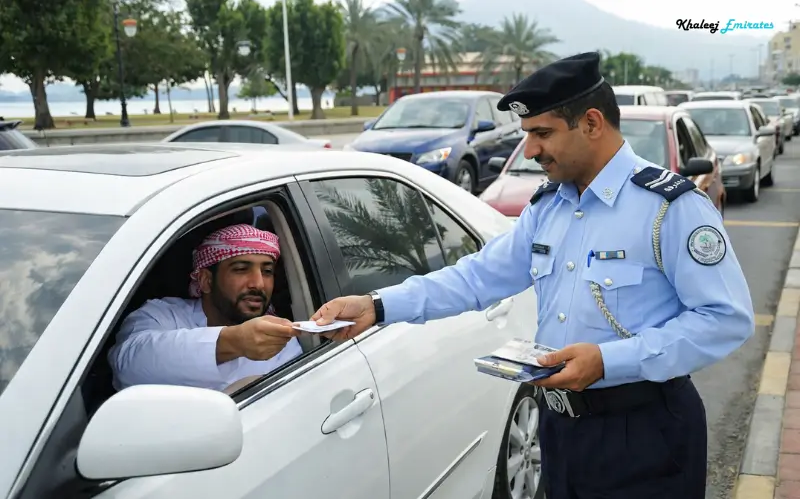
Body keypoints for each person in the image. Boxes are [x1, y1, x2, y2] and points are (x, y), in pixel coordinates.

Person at [309, 52, 754, 498]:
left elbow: (725, 318)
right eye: (527, 134)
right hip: (560, 429)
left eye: (542, 133)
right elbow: (477, 277)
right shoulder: (548, 206)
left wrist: (609, 361)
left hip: (644, 433)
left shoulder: (668, 208)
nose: (530, 150)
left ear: (592, 123)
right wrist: (378, 305)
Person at [108, 224, 303, 392]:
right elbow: (128, 367)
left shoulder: (279, 340)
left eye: (267, 271)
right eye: (241, 269)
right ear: (206, 280)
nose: (258, 284)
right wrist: (233, 341)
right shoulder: (163, 315)